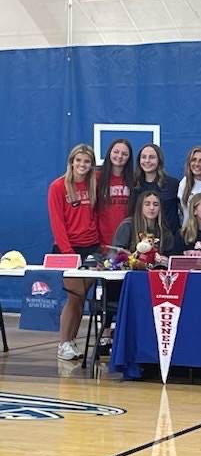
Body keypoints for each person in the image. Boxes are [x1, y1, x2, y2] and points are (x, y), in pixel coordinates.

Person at [47, 144, 100, 361]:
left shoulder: (94, 183)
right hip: (68, 249)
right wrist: (69, 254)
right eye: (78, 160)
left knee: (82, 298)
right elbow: (57, 223)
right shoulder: (58, 187)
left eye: (87, 161)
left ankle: (70, 341)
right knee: (74, 297)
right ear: (71, 161)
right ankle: (63, 343)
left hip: (92, 248)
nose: (82, 165)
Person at [130, 143, 180, 236]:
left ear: (159, 160)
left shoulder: (172, 184)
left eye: (152, 157)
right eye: (144, 157)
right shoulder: (133, 185)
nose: (147, 160)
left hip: (168, 240)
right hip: (140, 239)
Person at [112, 191, 174, 259]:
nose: (151, 208)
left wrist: (165, 259)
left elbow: (170, 257)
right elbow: (116, 253)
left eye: (156, 205)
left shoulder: (165, 231)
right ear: (140, 206)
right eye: (147, 204)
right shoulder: (127, 226)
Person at [96, 139, 134, 246]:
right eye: (116, 152)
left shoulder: (134, 180)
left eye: (125, 154)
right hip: (100, 239)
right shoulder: (97, 177)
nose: (120, 156)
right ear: (109, 153)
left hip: (125, 240)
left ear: (129, 158)